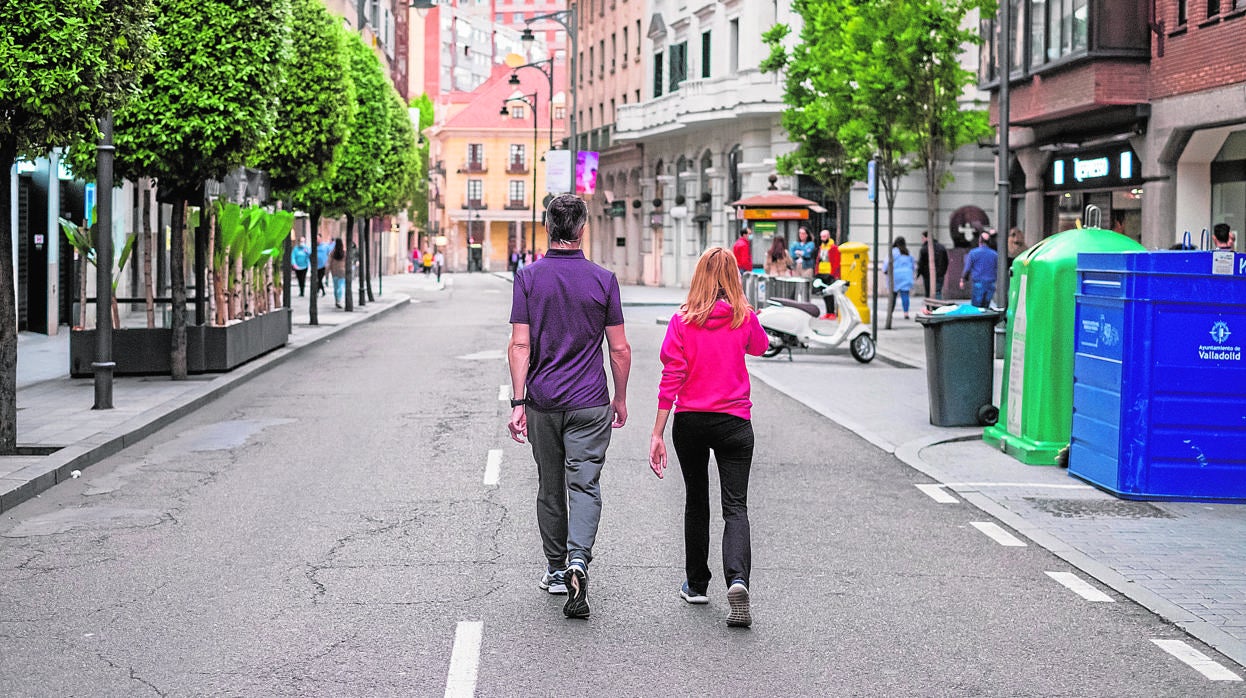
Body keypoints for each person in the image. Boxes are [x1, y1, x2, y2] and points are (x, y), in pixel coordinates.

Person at [507, 193, 632, 620]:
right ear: (581, 229)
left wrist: (518, 401)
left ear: (547, 227)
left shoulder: (528, 278)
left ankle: (557, 569)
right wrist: (620, 396)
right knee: (585, 485)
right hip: (591, 401)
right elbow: (619, 349)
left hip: (543, 400)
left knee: (550, 485)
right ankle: (580, 559)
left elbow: (520, 344)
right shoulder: (603, 280)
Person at [649, 247, 769, 628]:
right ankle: (738, 581)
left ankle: (697, 584)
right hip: (734, 422)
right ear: (734, 278)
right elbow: (761, 347)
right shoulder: (743, 317)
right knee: (736, 506)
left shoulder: (682, 321)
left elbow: (672, 377)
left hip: (692, 421)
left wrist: (657, 432)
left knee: (697, 501)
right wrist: (747, 313)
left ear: (698, 276)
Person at [961, 231, 999, 308]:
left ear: (979, 241)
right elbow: (997, 268)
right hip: (991, 283)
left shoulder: (973, 253)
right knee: (986, 306)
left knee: (976, 307)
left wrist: (963, 279)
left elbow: (967, 268)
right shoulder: (995, 254)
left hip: (978, 282)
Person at [885, 237, 915, 321]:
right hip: (906, 275)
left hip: (895, 276)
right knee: (905, 295)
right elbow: (913, 265)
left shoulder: (893, 252)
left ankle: (890, 312)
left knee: (893, 296)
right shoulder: (907, 252)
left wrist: (885, 270)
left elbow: (887, 263)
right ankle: (906, 313)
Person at [915, 230, 949, 300]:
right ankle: (938, 308)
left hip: (928, 275)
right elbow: (946, 261)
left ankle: (930, 308)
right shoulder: (942, 247)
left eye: (923, 238)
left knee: (928, 292)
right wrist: (943, 272)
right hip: (940, 274)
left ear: (927, 238)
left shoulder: (924, 249)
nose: (922, 240)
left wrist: (918, 273)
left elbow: (921, 263)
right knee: (938, 291)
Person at [814, 229, 840, 316]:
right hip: (821, 272)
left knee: (830, 294)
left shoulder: (833, 248)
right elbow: (818, 260)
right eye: (821, 237)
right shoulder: (821, 247)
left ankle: (831, 312)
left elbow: (836, 261)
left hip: (829, 273)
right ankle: (828, 312)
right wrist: (817, 271)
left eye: (824, 236)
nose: (822, 238)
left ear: (829, 236)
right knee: (824, 294)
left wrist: (833, 274)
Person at [328, 238, 346, 309]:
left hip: (334, 271)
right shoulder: (344, 253)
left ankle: (336, 300)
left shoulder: (332, 252)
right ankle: (339, 300)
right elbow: (347, 262)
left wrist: (327, 271)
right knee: (340, 286)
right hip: (342, 271)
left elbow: (329, 262)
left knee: (335, 287)